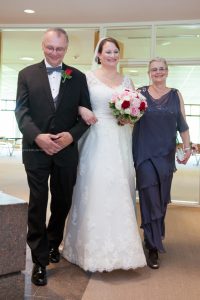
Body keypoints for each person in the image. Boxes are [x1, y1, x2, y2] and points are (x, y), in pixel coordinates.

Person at [15, 27, 92, 286]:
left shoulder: (78, 77)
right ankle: (39, 260)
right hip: (36, 150)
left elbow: (86, 115)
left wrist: (71, 136)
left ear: (67, 48)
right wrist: (38, 137)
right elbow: (21, 112)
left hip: (66, 151)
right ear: (42, 46)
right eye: (50, 47)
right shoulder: (26, 74)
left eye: (60, 48)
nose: (55, 53)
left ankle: (52, 243)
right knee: (38, 202)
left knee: (62, 201)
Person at [62, 37, 146, 272]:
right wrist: (82, 109)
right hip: (95, 135)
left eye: (115, 51)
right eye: (107, 51)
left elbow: (134, 109)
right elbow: (74, 102)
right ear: (98, 54)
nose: (112, 55)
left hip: (120, 137)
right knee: (95, 185)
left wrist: (128, 116)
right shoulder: (87, 77)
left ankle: (123, 250)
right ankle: (87, 249)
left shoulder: (127, 80)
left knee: (119, 186)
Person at [132, 57, 192, 269]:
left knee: (161, 198)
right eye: (154, 69)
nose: (158, 72)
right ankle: (152, 245)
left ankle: (154, 236)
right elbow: (129, 121)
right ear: (149, 72)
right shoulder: (140, 93)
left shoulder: (176, 95)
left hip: (166, 154)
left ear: (167, 71)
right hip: (144, 154)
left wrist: (187, 148)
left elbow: (182, 125)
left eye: (161, 69)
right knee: (150, 197)